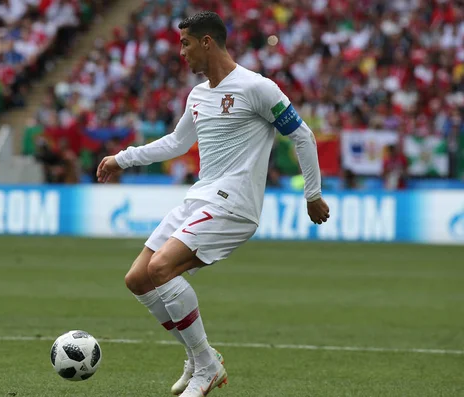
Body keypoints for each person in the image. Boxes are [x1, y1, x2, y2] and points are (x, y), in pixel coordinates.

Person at [96, 11, 330, 397]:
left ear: (207, 42)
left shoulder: (257, 88)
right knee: (138, 279)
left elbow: (303, 135)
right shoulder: (199, 95)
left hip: (234, 204)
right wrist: (123, 158)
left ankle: (206, 366)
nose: (182, 53)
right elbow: (175, 143)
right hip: (200, 197)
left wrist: (313, 194)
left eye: (186, 44)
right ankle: (198, 355)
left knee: (162, 267)